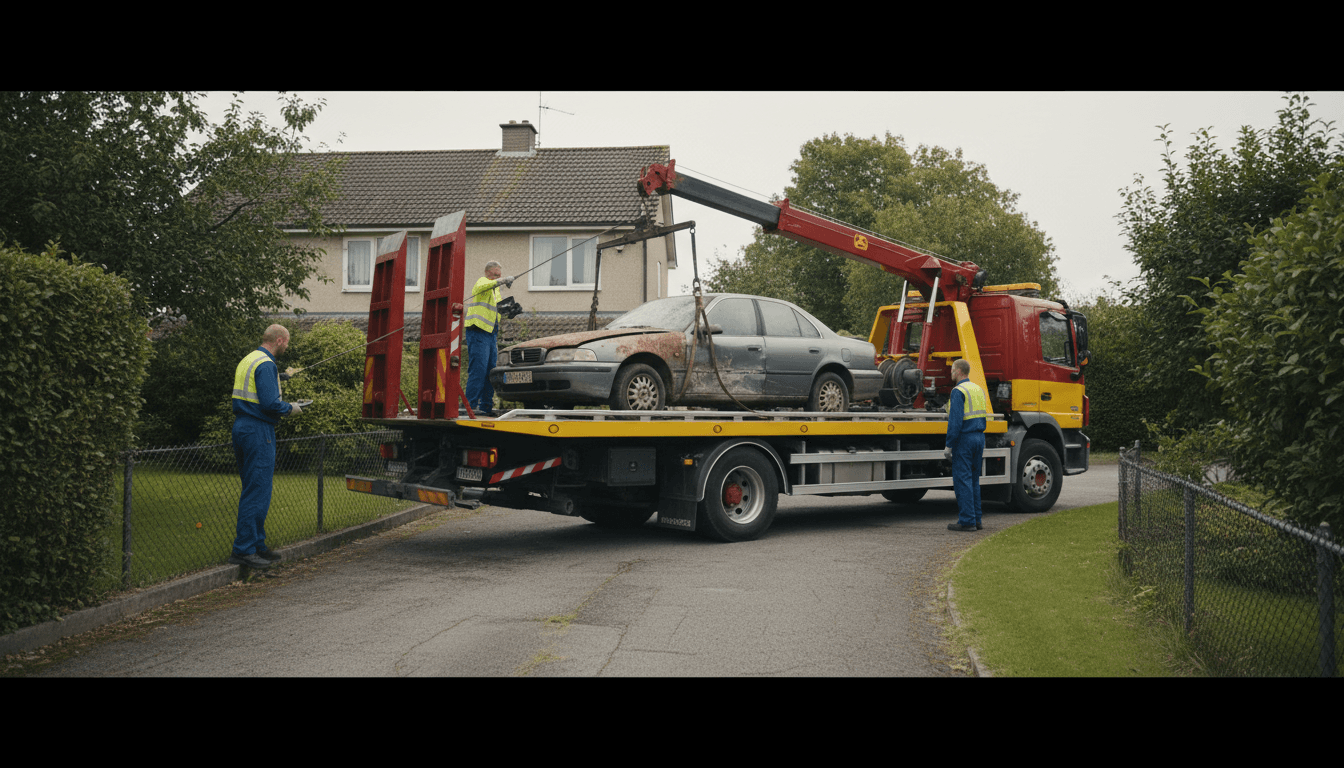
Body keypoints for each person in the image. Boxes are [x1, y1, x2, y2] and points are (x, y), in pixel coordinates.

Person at [229, 324, 303, 569]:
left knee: (253, 487)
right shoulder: (267, 364)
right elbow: (270, 404)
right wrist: (291, 408)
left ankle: (258, 545)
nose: (287, 347)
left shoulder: (249, 359)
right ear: (280, 340)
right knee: (257, 491)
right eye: (287, 343)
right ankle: (245, 550)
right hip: (259, 431)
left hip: (242, 427)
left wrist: (277, 378)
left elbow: (253, 389)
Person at [464, 261, 513, 417]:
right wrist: (503, 280)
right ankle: (470, 406)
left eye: (499, 275)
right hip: (478, 330)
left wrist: (511, 310)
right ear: (488, 273)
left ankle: (485, 406)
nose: (498, 278)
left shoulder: (495, 292)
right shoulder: (482, 281)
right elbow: (482, 287)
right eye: (495, 275)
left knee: (491, 371)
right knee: (478, 369)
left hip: (490, 334)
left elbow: (496, 310)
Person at [944, 358, 988, 532]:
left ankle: (967, 521)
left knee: (962, 480)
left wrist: (949, 445)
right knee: (974, 480)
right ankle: (976, 519)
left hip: (965, 440)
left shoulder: (958, 391)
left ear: (959, 371)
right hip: (979, 437)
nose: (951, 373)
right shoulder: (978, 389)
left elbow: (955, 422)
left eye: (952, 370)